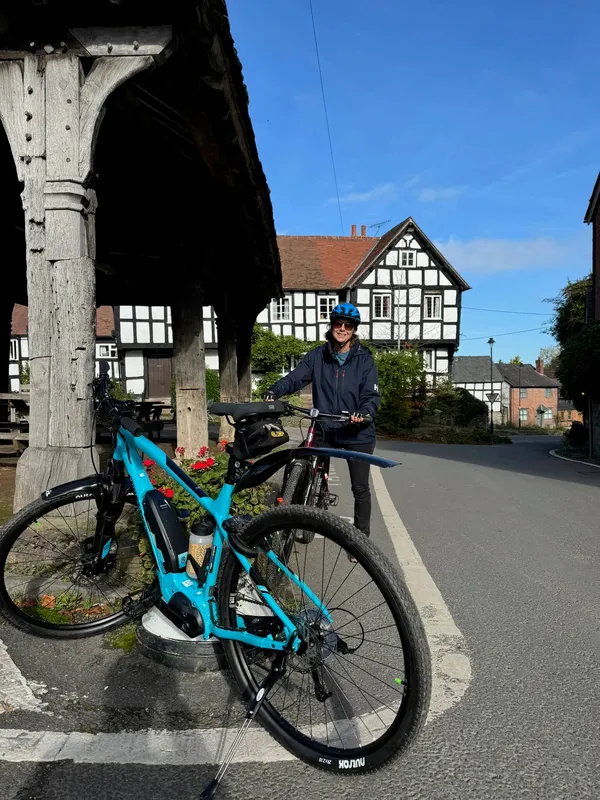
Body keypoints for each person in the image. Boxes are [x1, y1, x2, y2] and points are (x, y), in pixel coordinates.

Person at [264, 302, 380, 539]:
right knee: (296, 461)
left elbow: (371, 395)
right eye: (338, 323)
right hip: (325, 427)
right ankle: (289, 512)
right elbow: (295, 378)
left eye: (348, 325)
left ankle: (361, 539)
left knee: (360, 487)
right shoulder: (318, 356)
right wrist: (275, 391)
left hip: (356, 430)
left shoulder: (364, 359)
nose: (343, 328)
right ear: (332, 325)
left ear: (353, 330)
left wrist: (363, 413)